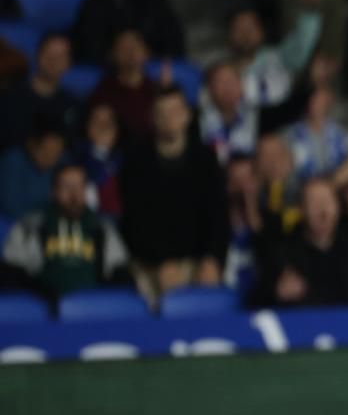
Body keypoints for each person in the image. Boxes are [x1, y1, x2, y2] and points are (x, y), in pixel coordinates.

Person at [118, 85, 228, 300]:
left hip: (198, 260)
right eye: (162, 113)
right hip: (151, 261)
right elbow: (135, 221)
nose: (169, 119)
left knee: (210, 291)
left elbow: (218, 215)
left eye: (175, 111)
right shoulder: (136, 162)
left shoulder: (205, 159)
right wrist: (160, 261)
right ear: (153, 119)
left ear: (187, 115)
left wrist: (212, 258)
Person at [2, 162, 129, 300]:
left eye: (80, 187)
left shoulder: (103, 228)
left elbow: (119, 268)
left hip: (93, 309)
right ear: (54, 191)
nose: (74, 195)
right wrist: (36, 287)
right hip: (42, 311)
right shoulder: (29, 226)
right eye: (66, 187)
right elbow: (11, 270)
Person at [250, 176, 348, 308]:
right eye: (314, 203)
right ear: (301, 209)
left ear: (338, 207)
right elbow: (255, 302)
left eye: (328, 201)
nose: (323, 210)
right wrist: (277, 293)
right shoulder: (282, 254)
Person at [86, 29, 159, 143]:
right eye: (124, 48)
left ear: (146, 52)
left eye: (135, 46)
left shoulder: (157, 90)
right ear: (113, 54)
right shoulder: (103, 92)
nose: (130, 52)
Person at [0, 117, 66, 218]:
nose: (51, 159)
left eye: (56, 153)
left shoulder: (63, 163)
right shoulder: (12, 162)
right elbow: (10, 207)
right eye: (46, 153)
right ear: (31, 144)